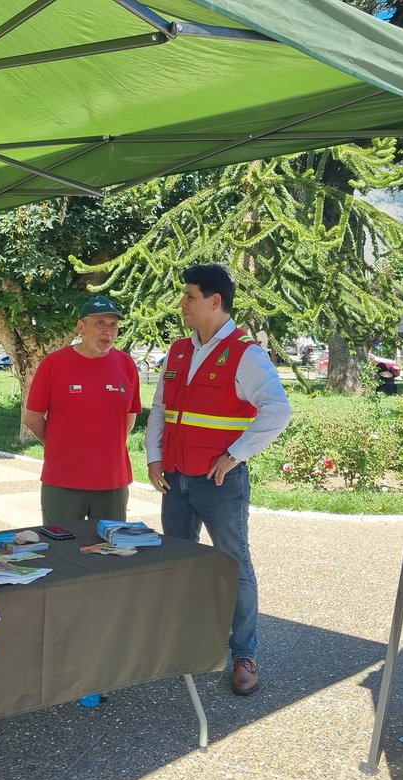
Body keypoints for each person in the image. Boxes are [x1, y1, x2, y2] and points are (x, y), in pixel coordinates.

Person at [145, 264, 291, 697]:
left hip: (218, 482)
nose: (182, 304)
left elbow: (277, 410)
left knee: (234, 565)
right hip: (174, 478)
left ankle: (244, 655)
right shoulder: (177, 351)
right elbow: (160, 409)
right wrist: (154, 457)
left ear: (214, 301)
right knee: (181, 561)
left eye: (189, 296)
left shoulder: (246, 354)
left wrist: (235, 455)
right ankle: (188, 646)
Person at [21, 295, 142, 523]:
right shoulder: (53, 364)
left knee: (110, 552)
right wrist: (62, 445)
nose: (108, 331)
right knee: (61, 551)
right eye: (99, 324)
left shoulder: (126, 364)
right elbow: (32, 418)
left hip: (112, 483)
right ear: (81, 327)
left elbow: (129, 418)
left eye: (113, 324)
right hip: (63, 482)